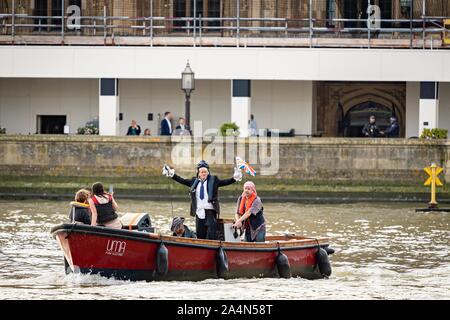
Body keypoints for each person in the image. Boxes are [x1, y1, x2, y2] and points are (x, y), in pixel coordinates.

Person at [162, 160, 242, 240]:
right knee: (200, 236)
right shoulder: (194, 181)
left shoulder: (214, 180)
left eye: (205, 172)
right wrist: (172, 175)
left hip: (210, 212)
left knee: (211, 236)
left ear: (208, 172)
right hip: (198, 212)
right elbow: (183, 181)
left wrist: (235, 178)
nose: (203, 173)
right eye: (202, 172)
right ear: (198, 173)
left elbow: (225, 182)